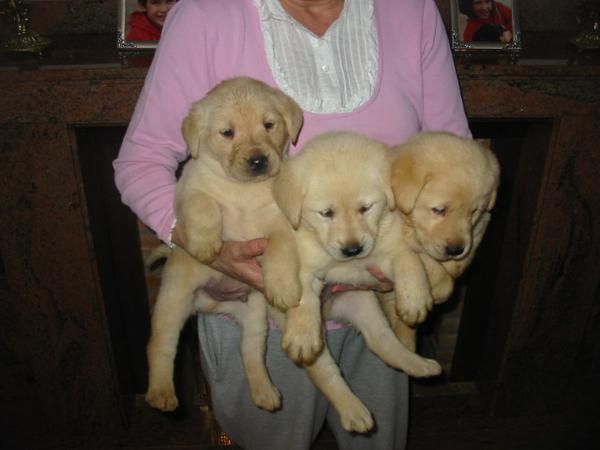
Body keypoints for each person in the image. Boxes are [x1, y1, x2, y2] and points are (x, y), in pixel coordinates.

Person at [114, 0, 470, 449]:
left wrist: (419, 263)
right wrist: (206, 247)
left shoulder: (412, 9)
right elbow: (141, 158)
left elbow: (454, 159)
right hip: (260, 303)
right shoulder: (206, 15)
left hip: (383, 296)